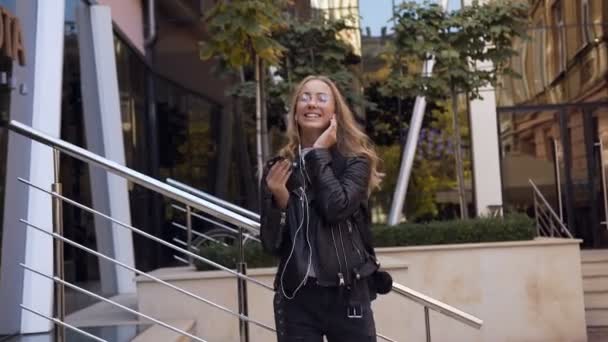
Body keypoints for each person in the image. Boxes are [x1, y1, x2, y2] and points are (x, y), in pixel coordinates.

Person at [260, 75, 387, 342]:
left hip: (347, 293)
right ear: (295, 112)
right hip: (297, 298)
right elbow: (271, 244)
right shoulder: (280, 168)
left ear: (335, 112)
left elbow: (336, 208)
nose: (311, 104)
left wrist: (318, 152)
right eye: (304, 98)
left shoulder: (356, 162)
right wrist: (280, 200)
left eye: (321, 98)